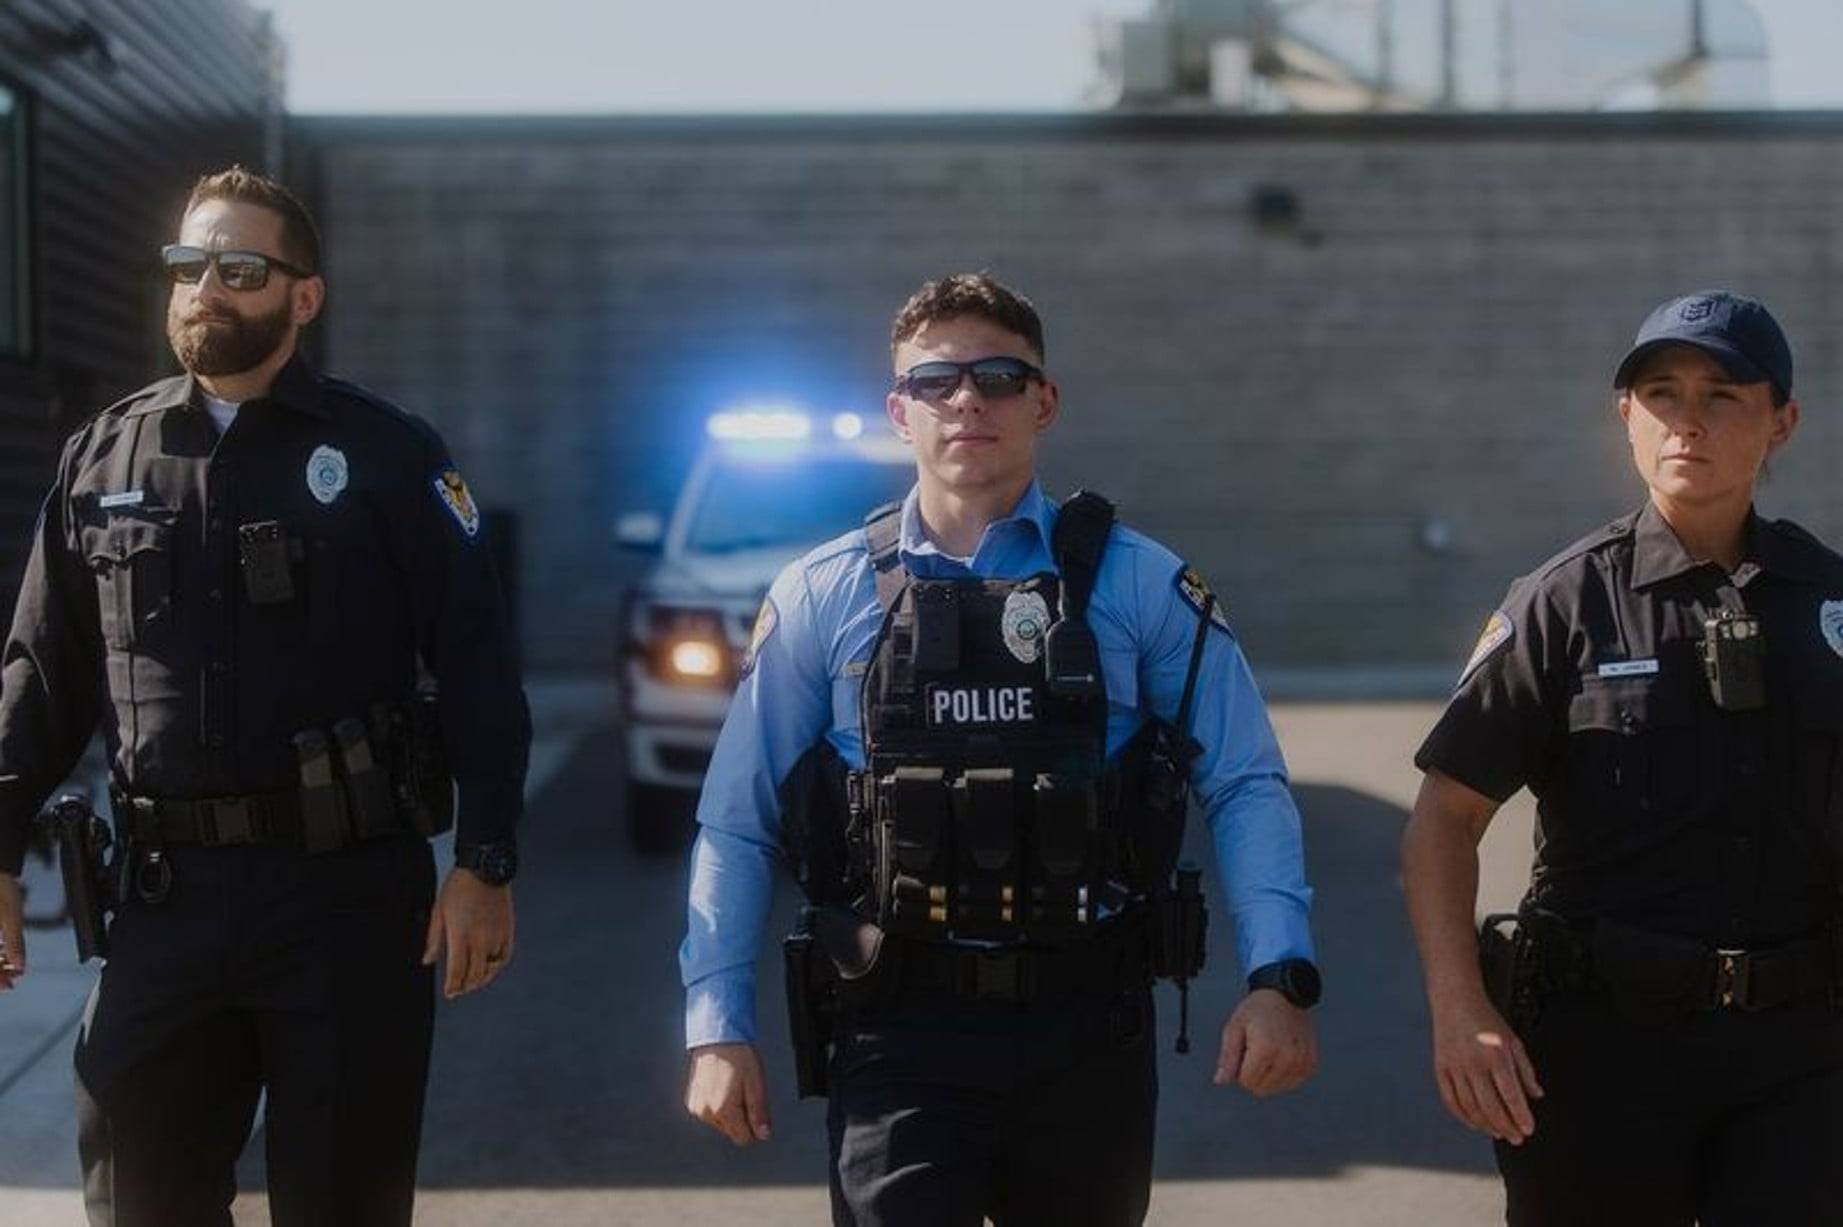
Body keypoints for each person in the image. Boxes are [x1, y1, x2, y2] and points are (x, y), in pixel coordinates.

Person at [680, 272, 1320, 1226]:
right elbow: (737, 820)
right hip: (895, 1027)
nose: (967, 398)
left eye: (997, 375)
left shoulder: (1141, 584)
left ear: (1043, 400)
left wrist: (1279, 976)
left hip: (1085, 1027)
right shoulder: (824, 593)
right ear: (900, 410)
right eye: (936, 380)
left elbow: (1244, 784)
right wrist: (715, 1028)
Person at [0, 166, 530, 1227]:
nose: (207, 288)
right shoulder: (104, 455)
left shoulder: (385, 454)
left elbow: (476, 660)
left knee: (343, 1203)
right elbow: (40, 675)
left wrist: (483, 863)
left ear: (303, 296)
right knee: (138, 1200)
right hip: (161, 901)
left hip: (342, 903)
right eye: (188, 265)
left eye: (240, 269)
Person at [1402, 290, 1843, 1225]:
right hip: (1601, 1053)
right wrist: (1460, 1008)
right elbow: (1445, 819)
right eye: (1660, 393)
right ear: (1625, 418)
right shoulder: (1561, 605)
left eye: (1721, 394)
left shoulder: (1829, 605)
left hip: (1802, 1055)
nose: (1686, 419)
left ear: (1782, 421)